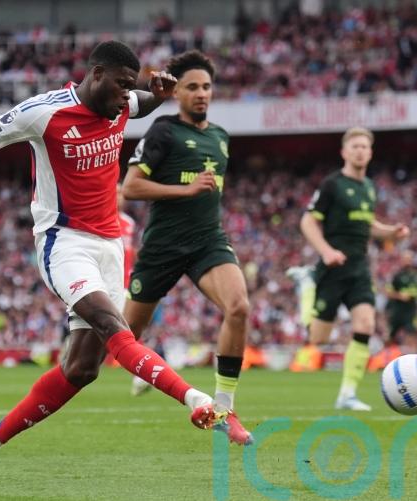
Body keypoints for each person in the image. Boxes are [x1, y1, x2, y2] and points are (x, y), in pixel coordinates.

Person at [0, 41, 253, 481]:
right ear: (96, 74)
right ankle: (197, 401)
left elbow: (146, 100)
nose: (125, 98)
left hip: (109, 246)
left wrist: (158, 90)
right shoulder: (44, 112)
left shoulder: (121, 101)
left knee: (81, 369)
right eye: (121, 86)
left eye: (129, 90)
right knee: (113, 325)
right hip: (64, 243)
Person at [121, 50, 251, 438]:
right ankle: (147, 369)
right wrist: (186, 188)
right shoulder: (163, 130)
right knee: (121, 339)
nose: (201, 93)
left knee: (239, 307)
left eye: (207, 86)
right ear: (176, 91)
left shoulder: (221, 138)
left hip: (208, 242)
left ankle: (224, 410)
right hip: (163, 246)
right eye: (192, 86)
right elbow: (131, 187)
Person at [300, 127, 410, 411]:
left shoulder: (369, 188)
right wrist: (326, 252)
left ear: (370, 152)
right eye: (355, 146)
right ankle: (304, 287)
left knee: (366, 325)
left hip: (360, 268)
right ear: (344, 152)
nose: (360, 150)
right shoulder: (332, 184)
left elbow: (368, 224)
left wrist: (391, 232)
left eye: (365, 146)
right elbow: (308, 221)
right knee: (317, 339)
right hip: (333, 267)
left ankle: (347, 394)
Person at [385, 250, 417, 350]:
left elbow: (415, 293)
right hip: (396, 311)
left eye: (409, 259)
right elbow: (388, 292)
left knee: (412, 337)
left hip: (410, 313)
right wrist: (399, 295)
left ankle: (415, 360)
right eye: (405, 259)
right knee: (390, 337)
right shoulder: (396, 276)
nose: (407, 261)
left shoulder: (414, 277)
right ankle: (386, 360)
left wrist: (404, 295)